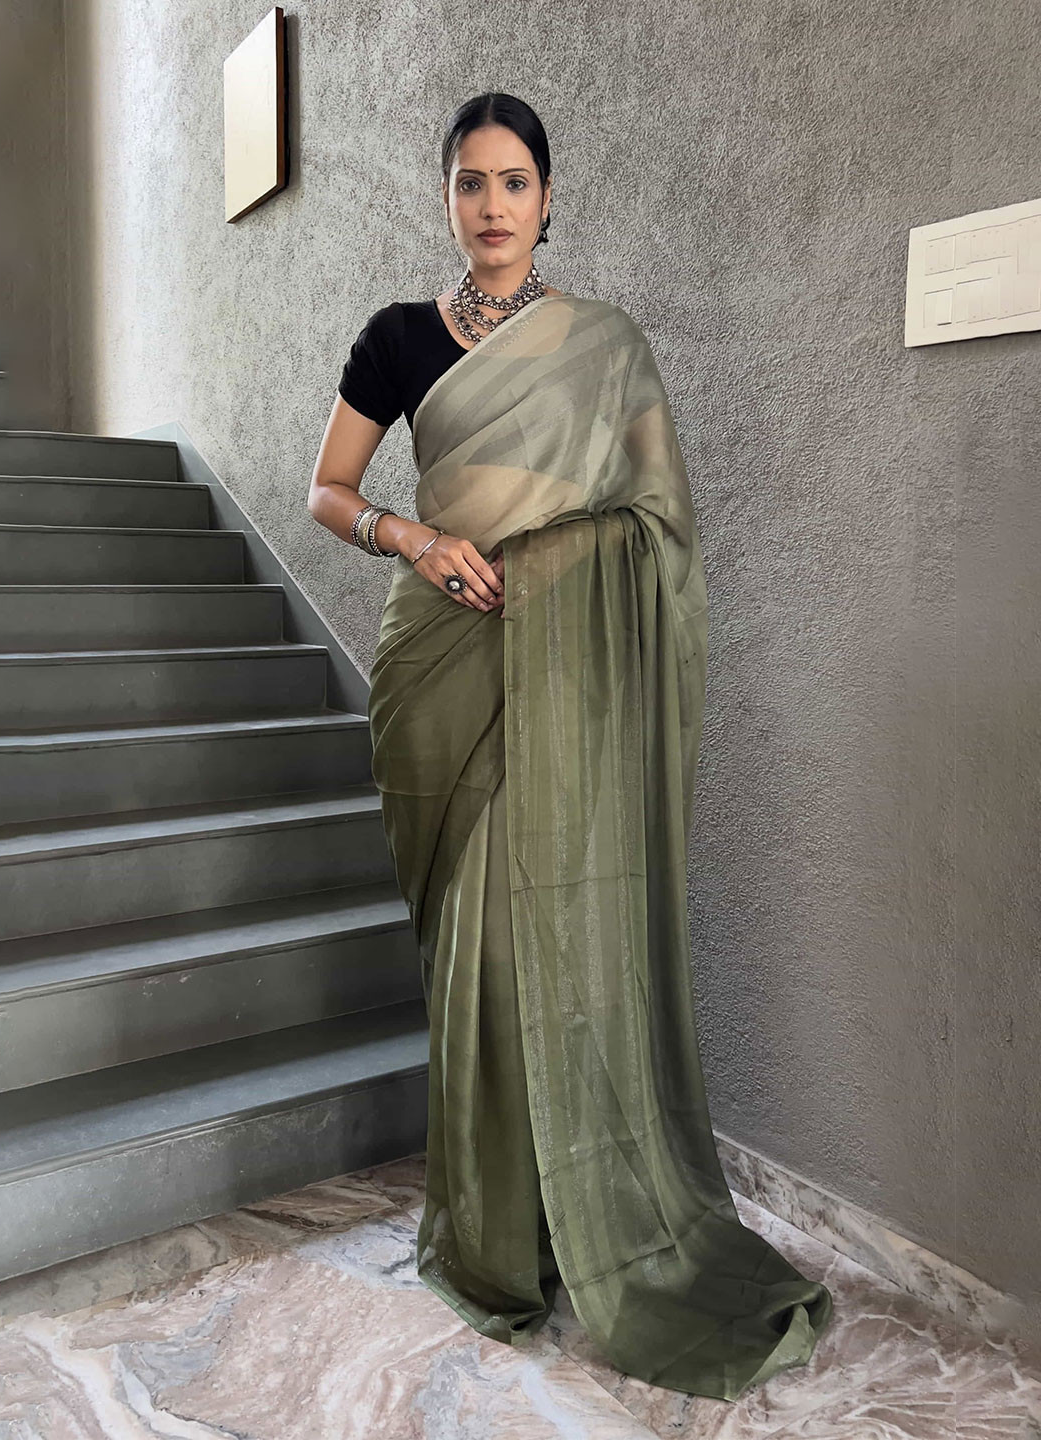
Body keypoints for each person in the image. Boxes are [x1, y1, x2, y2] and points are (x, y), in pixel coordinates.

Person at [306, 90, 833, 1403]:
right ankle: (493, 1227)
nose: (492, 206)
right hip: (439, 658)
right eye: (470, 182)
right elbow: (328, 489)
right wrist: (417, 538)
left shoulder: (605, 344)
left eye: (515, 183)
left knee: (531, 938)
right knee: (468, 949)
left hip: (567, 669)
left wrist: (561, 568)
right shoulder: (394, 338)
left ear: (547, 200)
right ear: (445, 196)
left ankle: (564, 1217)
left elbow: (660, 522)